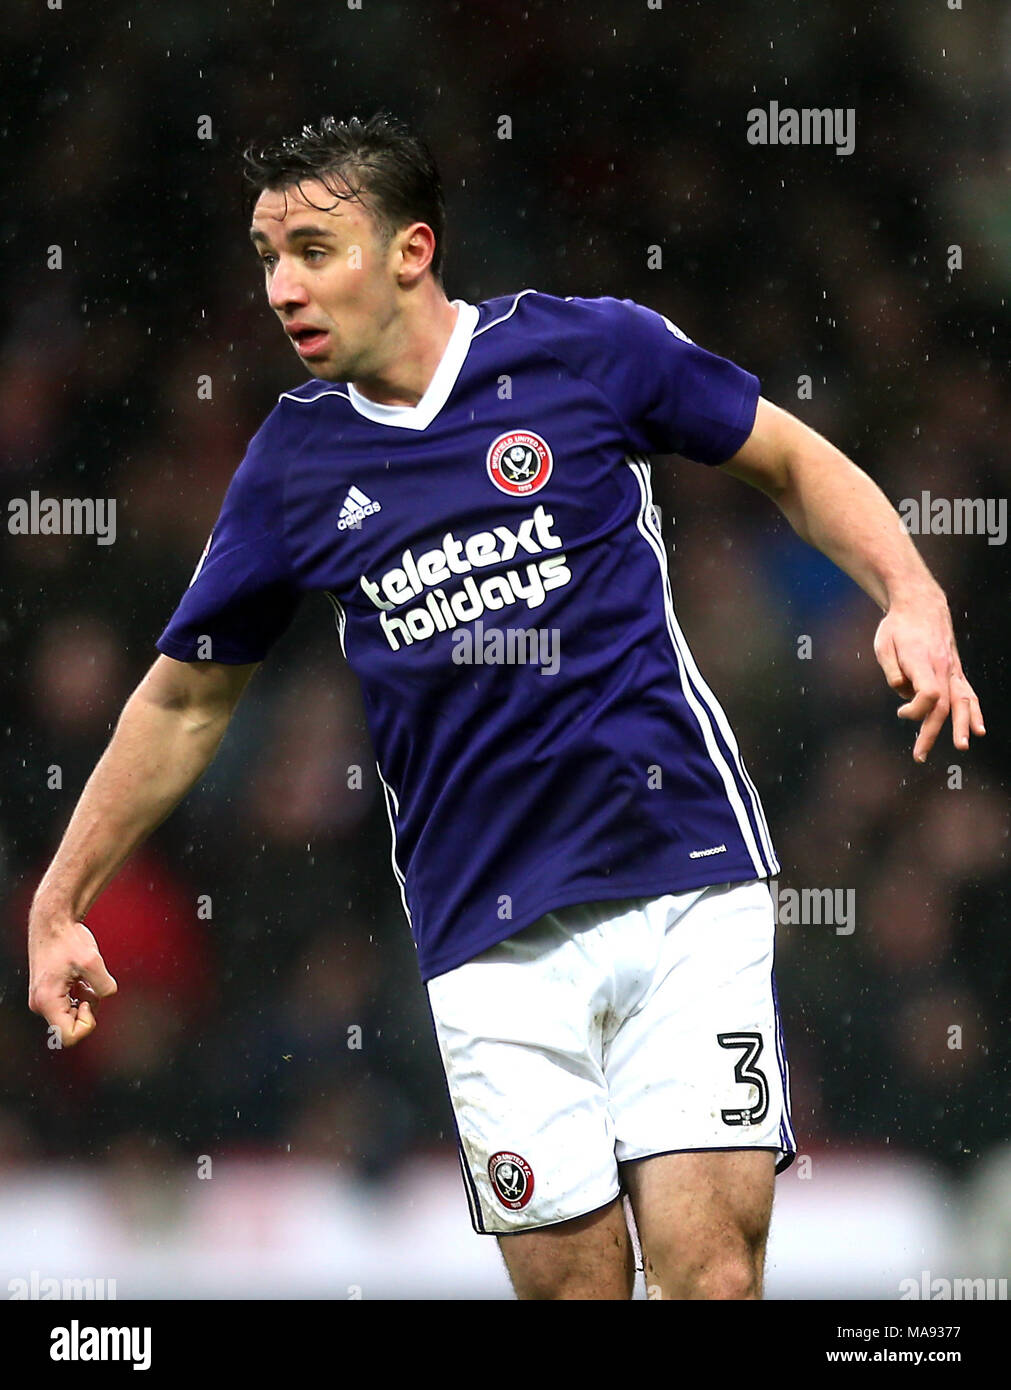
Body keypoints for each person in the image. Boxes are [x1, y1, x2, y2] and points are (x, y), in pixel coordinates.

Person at [27, 111, 985, 1301]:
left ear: (412, 250)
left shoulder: (587, 354)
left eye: (314, 250)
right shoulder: (293, 466)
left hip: (679, 874)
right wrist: (63, 897)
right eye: (268, 257)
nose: (281, 287)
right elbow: (183, 701)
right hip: (486, 936)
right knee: (576, 1291)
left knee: (712, 1272)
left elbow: (786, 457)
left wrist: (910, 590)